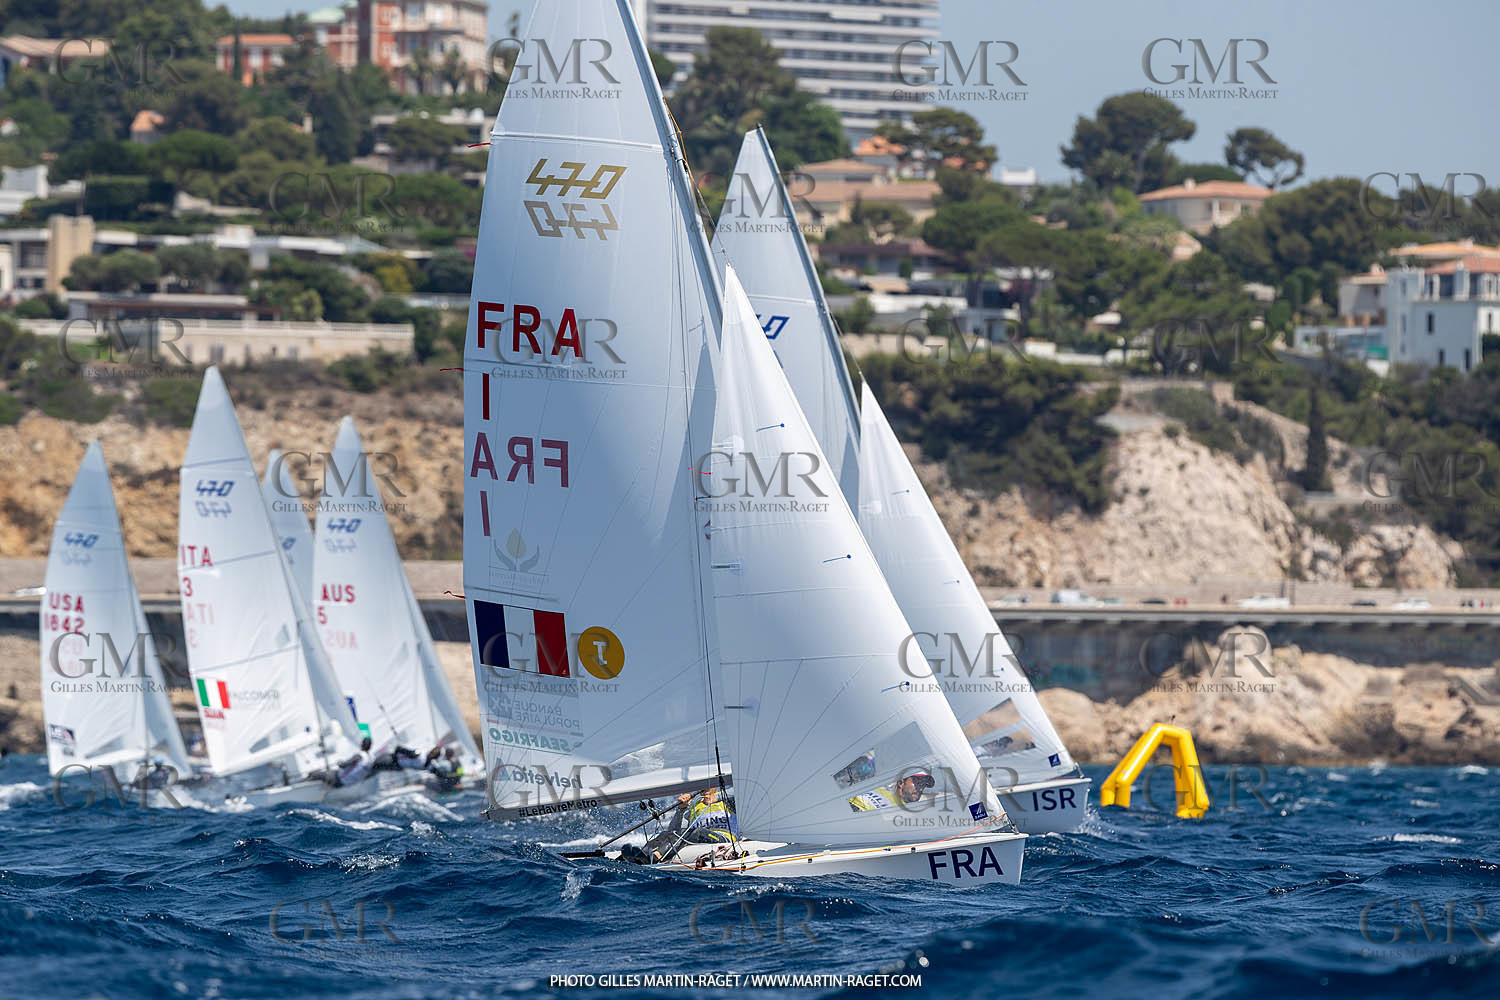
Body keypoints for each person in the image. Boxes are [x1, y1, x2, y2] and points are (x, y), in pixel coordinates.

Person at [637, 786, 737, 863]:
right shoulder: (694, 804)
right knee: (665, 834)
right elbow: (674, 830)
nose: (705, 787)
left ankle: (659, 856)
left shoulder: (727, 798)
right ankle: (642, 854)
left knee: (697, 832)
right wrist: (681, 809)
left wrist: (717, 797)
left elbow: (742, 789)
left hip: (724, 838)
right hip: (696, 838)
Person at [848, 770, 934, 811]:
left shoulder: (911, 812)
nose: (921, 788)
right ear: (901, 783)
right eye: (918, 783)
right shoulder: (879, 790)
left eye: (923, 785)